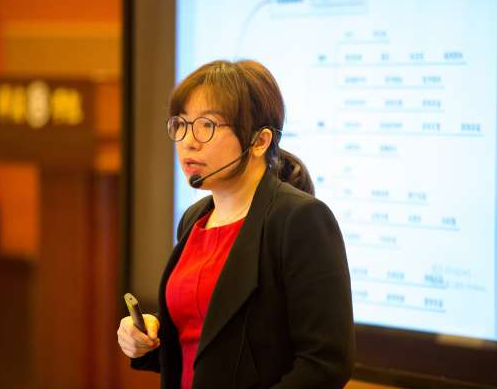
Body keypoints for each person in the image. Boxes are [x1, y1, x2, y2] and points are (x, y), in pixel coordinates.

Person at [117, 59, 354, 388]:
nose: (188, 141)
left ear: (260, 141)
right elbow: (208, 338)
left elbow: (325, 363)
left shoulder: (301, 219)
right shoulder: (194, 219)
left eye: (207, 125)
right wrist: (148, 335)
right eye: (181, 124)